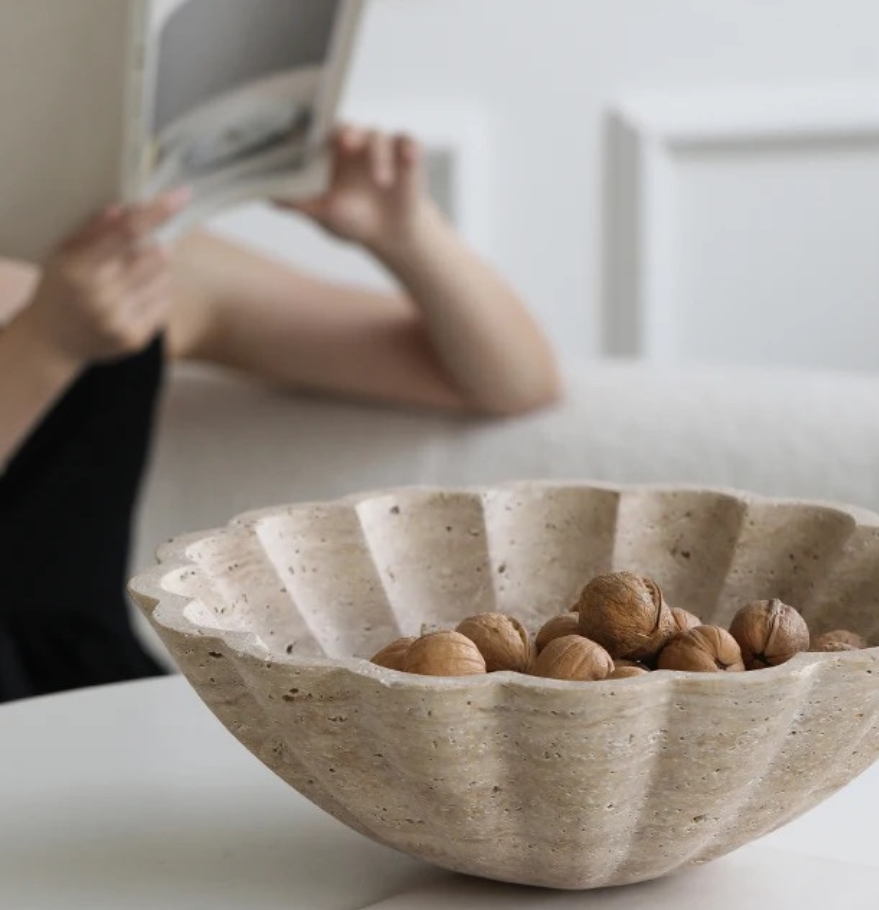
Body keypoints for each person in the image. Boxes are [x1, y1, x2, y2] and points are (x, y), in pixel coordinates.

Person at [0, 126, 561, 703]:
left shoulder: (113, 252)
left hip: (90, 695)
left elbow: (514, 381)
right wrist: (46, 344)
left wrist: (405, 233)